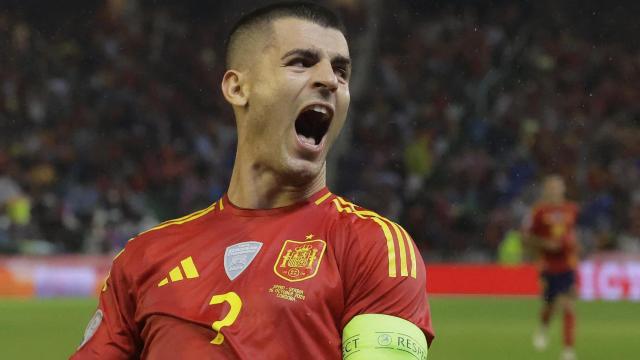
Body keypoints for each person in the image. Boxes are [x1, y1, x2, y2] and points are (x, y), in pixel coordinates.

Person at [71, 2, 434, 359]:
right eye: (301, 62)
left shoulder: (374, 248)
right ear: (237, 88)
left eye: (341, 71)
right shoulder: (144, 257)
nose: (329, 80)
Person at [524, 175, 579, 360]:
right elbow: (528, 237)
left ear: (563, 189)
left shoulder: (571, 209)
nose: (555, 190)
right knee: (550, 306)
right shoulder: (539, 212)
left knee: (568, 305)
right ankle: (543, 327)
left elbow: (572, 234)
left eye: (558, 187)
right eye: (552, 187)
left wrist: (573, 245)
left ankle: (568, 350)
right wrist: (545, 244)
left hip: (567, 264)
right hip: (548, 265)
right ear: (546, 190)